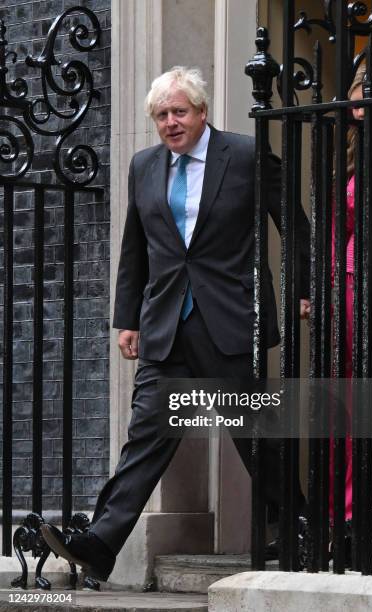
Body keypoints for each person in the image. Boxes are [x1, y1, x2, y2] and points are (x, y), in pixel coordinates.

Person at [40, 66, 311, 581]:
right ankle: (101, 544)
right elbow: (134, 248)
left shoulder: (245, 156)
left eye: (179, 112)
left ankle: (300, 527)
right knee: (146, 434)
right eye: (161, 115)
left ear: (202, 112)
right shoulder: (144, 166)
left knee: (253, 432)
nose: (170, 122)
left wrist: (302, 287)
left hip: (229, 318)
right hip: (165, 321)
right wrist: (127, 319)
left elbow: (292, 221)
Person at [329, 66, 366, 563]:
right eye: (357, 94)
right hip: (350, 287)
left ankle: (361, 516)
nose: (361, 102)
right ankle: (340, 520)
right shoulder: (353, 150)